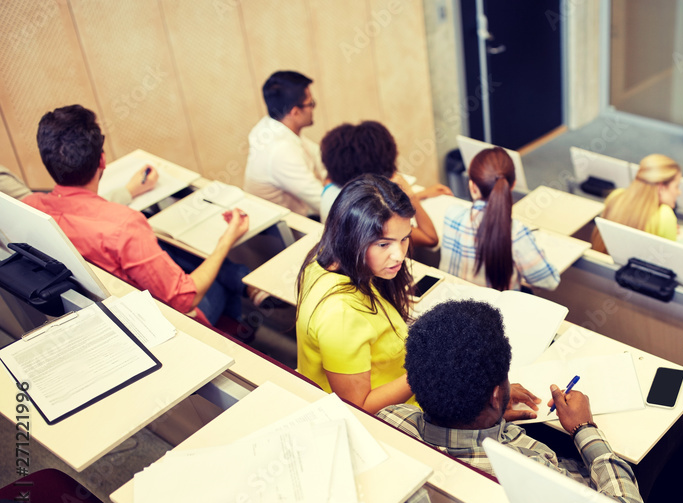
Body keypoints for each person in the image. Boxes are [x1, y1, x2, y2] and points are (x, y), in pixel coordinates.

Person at [378, 299, 649, 503]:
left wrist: (487, 417)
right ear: (497, 396)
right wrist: (584, 427)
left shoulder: (389, 419)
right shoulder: (536, 480)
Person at [23, 105, 252, 328]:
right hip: (157, 323)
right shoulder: (125, 225)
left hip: (97, 317)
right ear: (102, 160)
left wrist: (130, 191)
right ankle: (235, 331)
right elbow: (184, 299)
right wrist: (227, 240)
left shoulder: (30, 207)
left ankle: (242, 317)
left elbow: (78, 208)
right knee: (218, 281)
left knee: (180, 255)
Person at [295, 174, 416, 413]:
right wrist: (426, 370)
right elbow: (358, 407)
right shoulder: (340, 314)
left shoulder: (323, 257)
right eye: (383, 244)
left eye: (404, 239)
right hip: (391, 415)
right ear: (352, 239)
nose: (399, 255)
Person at [439, 147, 560, 291]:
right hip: (496, 305)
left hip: (452, 301)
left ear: (472, 186)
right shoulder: (516, 232)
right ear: (512, 185)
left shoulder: (452, 214)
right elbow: (550, 282)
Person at [318, 120, 448, 247]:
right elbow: (430, 238)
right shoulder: (370, 213)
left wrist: (421, 194)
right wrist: (411, 196)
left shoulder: (329, 188)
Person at [244, 70, 326, 217]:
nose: (313, 109)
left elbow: (319, 155)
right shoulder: (280, 150)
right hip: (286, 227)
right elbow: (323, 202)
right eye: (311, 103)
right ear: (295, 112)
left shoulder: (270, 125)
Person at [591, 154, 682, 253]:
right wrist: (669, 227)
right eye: (676, 186)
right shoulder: (665, 215)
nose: (679, 192)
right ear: (661, 188)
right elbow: (670, 256)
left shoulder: (615, 196)